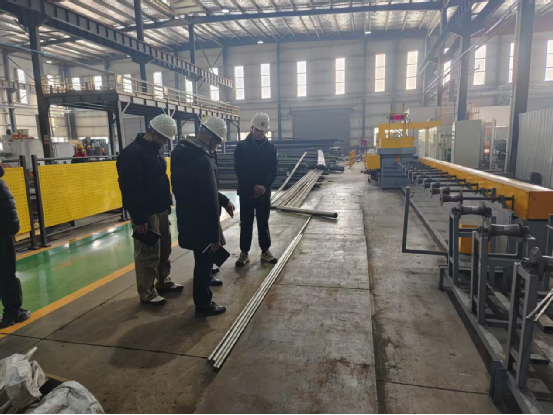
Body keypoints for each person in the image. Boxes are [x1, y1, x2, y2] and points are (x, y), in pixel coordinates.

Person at [171, 117, 235, 318]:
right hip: (203, 220)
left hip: (189, 216)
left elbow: (204, 188)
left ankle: (206, 280)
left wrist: (224, 200)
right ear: (209, 137)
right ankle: (204, 304)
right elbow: (208, 198)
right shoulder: (202, 159)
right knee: (204, 261)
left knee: (201, 258)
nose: (218, 146)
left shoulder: (182, 152)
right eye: (217, 142)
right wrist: (214, 235)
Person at [117, 114, 183, 306]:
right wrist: (139, 218)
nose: (165, 142)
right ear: (153, 133)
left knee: (164, 249)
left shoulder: (155, 150)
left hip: (160, 209)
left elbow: (160, 179)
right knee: (147, 252)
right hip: (145, 213)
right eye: (163, 138)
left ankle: (163, 280)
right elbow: (130, 189)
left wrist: (167, 203)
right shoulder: (132, 154)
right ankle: (147, 292)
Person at [234, 113, 278, 267]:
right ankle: (244, 252)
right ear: (252, 128)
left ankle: (265, 251)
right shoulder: (242, 147)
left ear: (266, 131)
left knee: (263, 222)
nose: (259, 133)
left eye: (262, 131)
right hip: (246, 191)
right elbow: (239, 170)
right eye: (257, 130)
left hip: (264, 193)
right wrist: (253, 186)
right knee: (246, 223)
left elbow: (273, 170)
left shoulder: (271, 148)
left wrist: (264, 187)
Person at [0, 165, 31, 328]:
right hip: (2, 238)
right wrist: (11, 232)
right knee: (6, 276)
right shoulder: (0, 185)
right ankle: (13, 313)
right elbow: (9, 211)